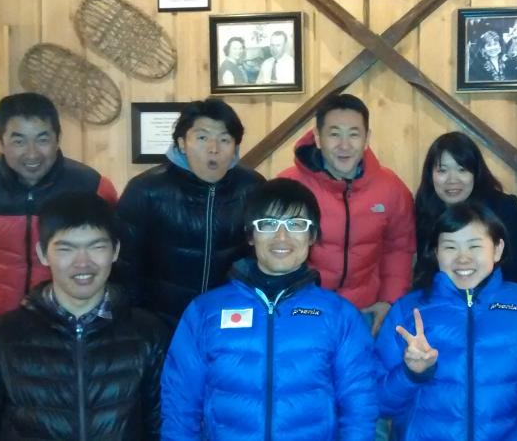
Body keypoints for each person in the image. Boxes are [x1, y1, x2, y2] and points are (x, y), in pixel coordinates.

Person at [161, 178, 378, 440]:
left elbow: (360, 408)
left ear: (312, 236)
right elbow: (179, 406)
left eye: (296, 224)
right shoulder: (205, 312)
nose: (282, 236)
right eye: (268, 224)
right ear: (250, 235)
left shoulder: (339, 316)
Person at [0, 192, 169, 441]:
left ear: (115, 251)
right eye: (66, 249)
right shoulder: (2, 336)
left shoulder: (147, 332)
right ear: (43, 253)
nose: (83, 263)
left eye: (97, 247)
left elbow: (161, 423)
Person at [0, 92, 118, 369]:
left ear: (58, 139)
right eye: (18, 140)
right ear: (0, 142)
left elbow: (106, 248)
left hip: (63, 323)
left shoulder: (92, 187)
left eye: (43, 138)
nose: (32, 153)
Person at [375, 202, 517, 440]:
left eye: (475, 246)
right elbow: (378, 402)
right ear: (436, 253)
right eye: (450, 247)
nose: (463, 258)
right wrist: (411, 373)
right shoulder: (408, 311)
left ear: (497, 249)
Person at [115, 97, 264, 327]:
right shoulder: (146, 190)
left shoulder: (252, 188)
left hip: (228, 319)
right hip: (161, 322)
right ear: (182, 143)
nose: (213, 149)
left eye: (224, 139)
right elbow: (124, 267)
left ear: (235, 145)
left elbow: (258, 259)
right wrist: (136, 322)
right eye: (202, 137)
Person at [278, 94, 416, 336]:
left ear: (366, 139)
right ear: (318, 138)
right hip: (302, 311)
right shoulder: (289, 185)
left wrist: (390, 301)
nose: (344, 145)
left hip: (365, 312)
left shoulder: (391, 188)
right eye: (334, 134)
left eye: (353, 134)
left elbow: (399, 248)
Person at [414, 131, 517, 291]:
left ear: (476, 173)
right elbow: (423, 276)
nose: (452, 180)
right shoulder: (424, 211)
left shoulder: (504, 209)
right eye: (442, 171)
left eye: (462, 169)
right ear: (430, 175)